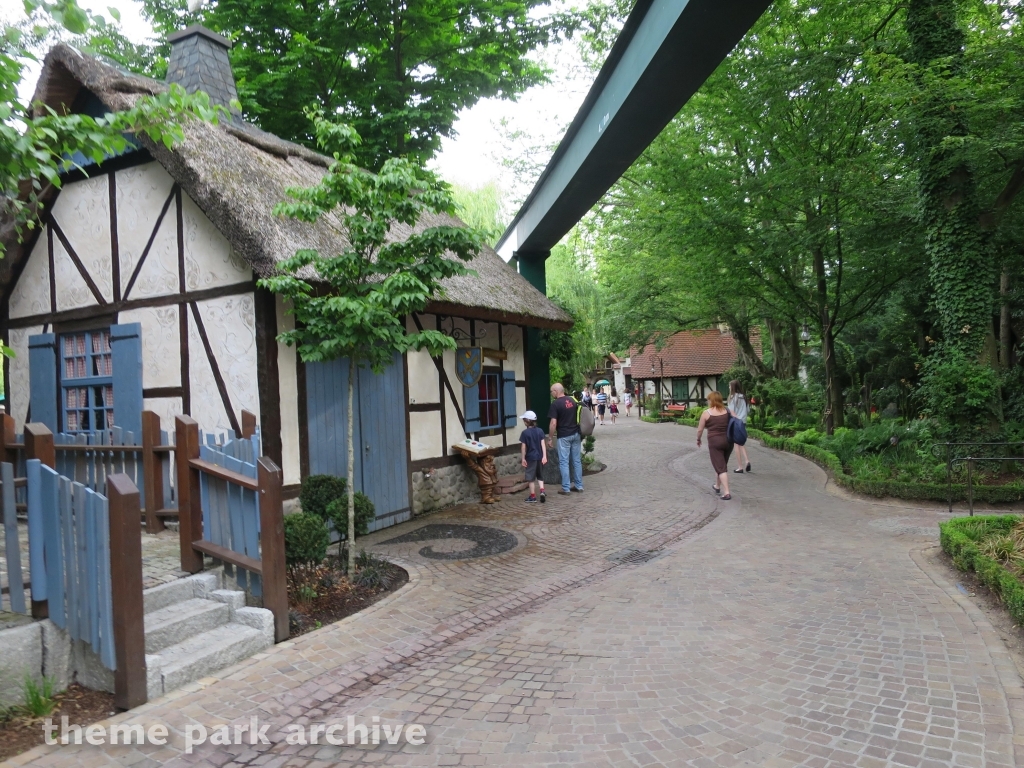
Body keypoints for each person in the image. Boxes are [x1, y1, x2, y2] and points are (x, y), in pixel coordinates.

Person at [696, 391, 733, 500]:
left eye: (708, 399)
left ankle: (726, 492)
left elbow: (700, 430)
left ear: (711, 400)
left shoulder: (707, 413)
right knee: (721, 464)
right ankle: (717, 486)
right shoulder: (728, 410)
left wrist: (698, 439)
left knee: (721, 467)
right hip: (728, 441)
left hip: (715, 442)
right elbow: (737, 421)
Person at [547, 383, 584, 495]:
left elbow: (553, 423)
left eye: (551, 391)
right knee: (576, 461)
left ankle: (566, 488)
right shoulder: (572, 400)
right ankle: (579, 486)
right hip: (576, 434)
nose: (551, 394)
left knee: (564, 462)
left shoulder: (555, 404)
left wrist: (549, 438)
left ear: (555, 391)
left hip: (564, 436)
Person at [519, 410, 547, 503]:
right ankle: (542, 491)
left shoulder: (525, 433)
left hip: (530, 458)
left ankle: (533, 496)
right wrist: (544, 456)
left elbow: (523, 447)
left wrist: (523, 458)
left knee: (531, 478)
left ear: (527, 421)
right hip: (540, 457)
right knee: (540, 476)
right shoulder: (540, 431)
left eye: (524, 420)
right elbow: (543, 444)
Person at [728, 379, 752, 473]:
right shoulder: (744, 397)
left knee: (736, 444)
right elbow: (748, 411)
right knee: (741, 443)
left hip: (736, 421)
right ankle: (747, 460)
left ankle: (740, 467)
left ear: (733, 387)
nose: (729, 388)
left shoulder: (733, 398)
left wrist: (736, 418)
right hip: (743, 421)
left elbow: (731, 412)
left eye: (730, 386)